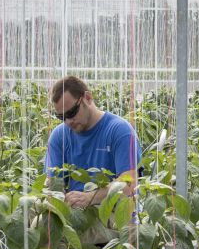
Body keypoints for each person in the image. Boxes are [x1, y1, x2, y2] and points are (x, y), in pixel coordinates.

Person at [45, 75, 142, 209]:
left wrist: (90, 197)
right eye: (61, 117)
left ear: (88, 98)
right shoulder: (59, 136)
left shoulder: (120, 131)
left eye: (71, 113)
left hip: (112, 210)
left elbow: (129, 185)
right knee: (32, 214)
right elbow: (53, 185)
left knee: (88, 230)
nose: (68, 121)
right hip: (76, 210)